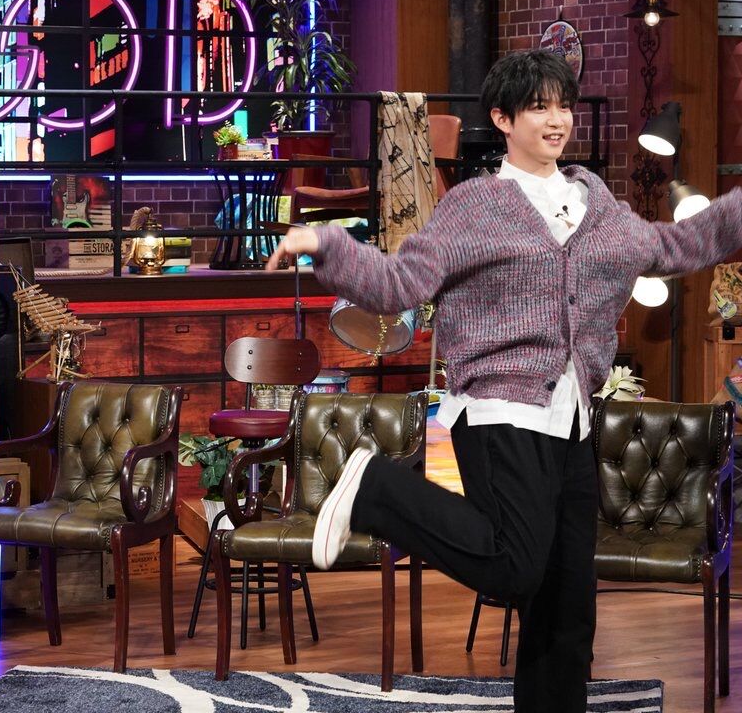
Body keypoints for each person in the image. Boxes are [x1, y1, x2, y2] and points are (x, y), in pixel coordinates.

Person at [265, 48, 742, 712]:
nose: (557, 120)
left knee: (567, 603)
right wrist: (327, 244)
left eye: (563, 106)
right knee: (516, 567)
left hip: (573, 418)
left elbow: (674, 247)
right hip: (498, 408)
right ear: (503, 118)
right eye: (539, 107)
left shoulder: (598, 204)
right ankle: (376, 486)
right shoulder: (475, 206)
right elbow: (401, 283)